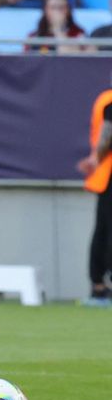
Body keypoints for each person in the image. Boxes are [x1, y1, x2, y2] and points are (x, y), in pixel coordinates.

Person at [78, 80, 112, 307]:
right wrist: (95, 158)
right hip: (109, 173)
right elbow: (108, 132)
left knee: (103, 229)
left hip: (105, 174)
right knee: (107, 230)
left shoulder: (105, 97)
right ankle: (99, 284)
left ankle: (98, 284)